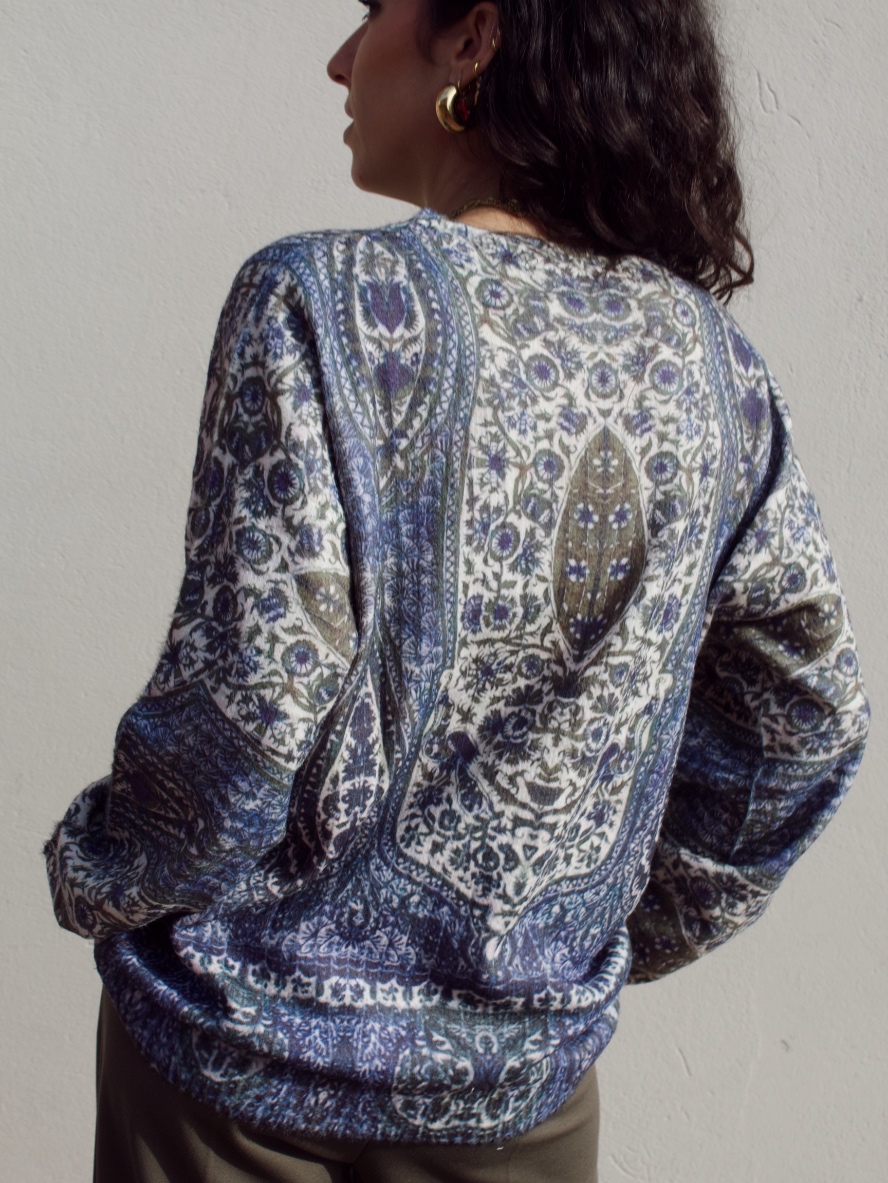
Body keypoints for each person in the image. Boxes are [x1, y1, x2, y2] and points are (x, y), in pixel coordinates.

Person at [44, 1, 870, 1181]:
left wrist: (101, 869)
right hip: (514, 1094)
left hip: (235, 1076)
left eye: (371, 10)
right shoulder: (713, 369)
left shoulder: (317, 301)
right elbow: (807, 717)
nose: (340, 58)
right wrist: (593, 929)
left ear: (475, 36)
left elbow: (258, 700)